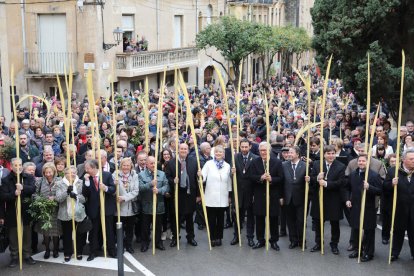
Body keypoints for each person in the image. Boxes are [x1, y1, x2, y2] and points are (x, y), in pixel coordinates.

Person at [309, 145, 346, 255]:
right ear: (324, 154)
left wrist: (326, 183)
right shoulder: (317, 164)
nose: (331, 155)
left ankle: (334, 244)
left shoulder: (341, 166)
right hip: (319, 198)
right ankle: (319, 243)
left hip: (334, 199)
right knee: (318, 222)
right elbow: (311, 179)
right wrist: (317, 178)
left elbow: (341, 182)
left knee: (335, 224)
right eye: (328, 153)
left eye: (332, 153)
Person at [0, 158, 37, 267]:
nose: (18, 167)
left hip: (26, 211)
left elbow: (33, 189)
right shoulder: (6, 180)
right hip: (12, 212)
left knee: (27, 234)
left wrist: (23, 187)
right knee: (13, 236)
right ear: (11, 166)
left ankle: (27, 255)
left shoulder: (28, 177)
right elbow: (2, 196)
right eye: (15, 165)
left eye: (20, 165)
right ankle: (14, 256)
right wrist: (14, 193)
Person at [345, 154, 382, 262]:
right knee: (356, 229)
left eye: (363, 161)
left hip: (368, 207)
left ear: (368, 162)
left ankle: (369, 253)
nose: (361, 163)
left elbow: (380, 191)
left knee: (369, 230)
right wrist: (347, 199)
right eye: (359, 161)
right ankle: (358, 250)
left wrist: (369, 187)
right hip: (355, 206)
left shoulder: (373, 176)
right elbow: (347, 188)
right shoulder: (353, 174)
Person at [249, 142, 284, 251]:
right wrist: (261, 177)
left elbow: (281, 178)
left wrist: (272, 179)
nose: (263, 152)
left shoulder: (277, 162)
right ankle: (260, 240)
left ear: (269, 150)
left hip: (273, 195)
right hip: (259, 195)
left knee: (273, 219)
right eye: (261, 150)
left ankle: (274, 241)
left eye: (265, 150)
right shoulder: (254, 162)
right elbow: (251, 177)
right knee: (259, 219)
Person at [165, 143, 199, 247]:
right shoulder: (171, 163)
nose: (183, 150)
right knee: (176, 217)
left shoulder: (193, 162)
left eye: (185, 149)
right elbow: (167, 177)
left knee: (189, 217)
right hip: (177, 194)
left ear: (188, 150)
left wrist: (198, 195)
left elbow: (197, 180)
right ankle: (175, 237)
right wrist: (172, 180)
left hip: (190, 194)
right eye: (181, 149)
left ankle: (190, 237)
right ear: (178, 150)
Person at [82, 159, 117, 261]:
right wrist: (87, 182)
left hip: (106, 207)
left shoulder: (106, 175)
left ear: (93, 168)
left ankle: (111, 250)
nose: (86, 170)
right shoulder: (87, 178)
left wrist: (105, 188)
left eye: (87, 168)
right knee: (94, 231)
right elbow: (85, 194)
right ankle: (93, 251)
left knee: (109, 230)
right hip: (93, 209)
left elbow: (113, 189)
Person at [385, 148, 414, 261]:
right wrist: (391, 184)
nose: (413, 161)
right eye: (411, 159)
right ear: (404, 160)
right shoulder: (393, 171)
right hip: (399, 208)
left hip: (413, 208)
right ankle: (395, 252)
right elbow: (385, 188)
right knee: (398, 232)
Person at [200, 145, 232, 247]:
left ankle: (219, 237)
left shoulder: (227, 166)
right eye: (217, 152)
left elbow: (229, 182)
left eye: (220, 152)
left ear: (223, 154)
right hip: (211, 196)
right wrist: (200, 175)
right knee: (211, 219)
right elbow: (203, 178)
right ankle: (212, 237)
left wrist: (229, 195)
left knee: (221, 218)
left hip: (223, 196)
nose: (218, 153)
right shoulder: (208, 164)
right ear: (214, 153)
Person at [55, 166, 86, 262]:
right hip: (65, 213)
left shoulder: (81, 182)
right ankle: (67, 253)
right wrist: (66, 192)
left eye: (73, 172)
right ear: (65, 173)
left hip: (78, 213)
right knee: (67, 235)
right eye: (69, 172)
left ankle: (79, 252)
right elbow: (59, 199)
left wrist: (76, 196)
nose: (71, 174)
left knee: (79, 234)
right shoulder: (59, 183)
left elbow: (85, 199)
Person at [138, 156, 169, 252]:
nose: (153, 165)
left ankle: (158, 242)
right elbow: (140, 188)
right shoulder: (141, 175)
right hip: (146, 205)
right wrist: (150, 184)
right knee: (145, 227)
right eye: (151, 163)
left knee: (158, 226)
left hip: (158, 205)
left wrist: (159, 191)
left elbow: (167, 186)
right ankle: (145, 243)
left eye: (155, 163)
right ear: (146, 164)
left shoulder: (162, 174)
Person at [230, 138, 257, 247]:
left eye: (246, 147)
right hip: (238, 192)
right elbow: (231, 176)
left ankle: (250, 237)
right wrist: (232, 173)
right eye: (242, 147)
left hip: (250, 193)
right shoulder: (235, 158)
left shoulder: (255, 158)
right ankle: (236, 236)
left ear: (250, 146)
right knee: (238, 216)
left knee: (250, 217)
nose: (244, 149)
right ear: (240, 147)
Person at [33, 162, 62, 259]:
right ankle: (47, 250)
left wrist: (55, 198)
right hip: (44, 210)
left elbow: (62, 194)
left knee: (55, 232)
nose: (48, 174)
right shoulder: (40, 181)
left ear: (54, 171)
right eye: (46, 172)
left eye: (50, 172)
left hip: (56, 210)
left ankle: (55, 250)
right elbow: (35, 194)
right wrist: (40, 201)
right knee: (46, 232)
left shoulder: (59, 180)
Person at [282, 146, 307, 249]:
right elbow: (281, 182)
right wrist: (281, 196)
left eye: (291, 152)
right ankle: (293, 240)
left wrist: (309, 180)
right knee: (290, 221)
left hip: (300, 198)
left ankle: (302, 240)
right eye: (289, 153)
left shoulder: (305, 166)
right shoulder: (283, 165)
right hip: (288, 197)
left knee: (300, 221)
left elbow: (310, 183)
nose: (289, 154)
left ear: (297, 154)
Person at [114, 157, 139, 254]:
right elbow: (113, 190)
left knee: (130, 229)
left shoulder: (134, 176)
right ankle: (121, 245)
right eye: (124, 165)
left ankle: (129, 245)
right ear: (121, 166)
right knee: (120, 229)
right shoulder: (115, 175)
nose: (126, 167)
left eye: (128, 165)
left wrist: (124, 197)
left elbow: (136, 191)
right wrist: (114, 184)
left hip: (130, 207)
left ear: (131, 166)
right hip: (119, 208)